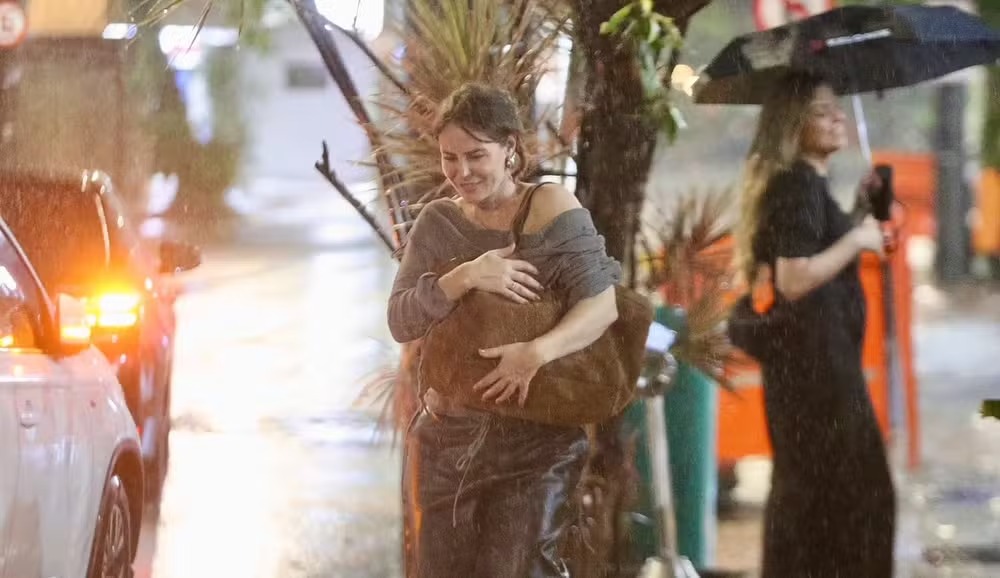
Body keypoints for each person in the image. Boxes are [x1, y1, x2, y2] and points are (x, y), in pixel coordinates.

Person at [387, 82, 621, 577]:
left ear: (510, 148)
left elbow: (601, 306)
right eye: (450, 158)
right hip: (448, 439)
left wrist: (535, 353)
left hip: (536, 441)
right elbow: (401, 320)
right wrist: (465, 276)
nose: (462, 172)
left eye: (476, 155)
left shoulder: (550, 206)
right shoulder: (438, 221)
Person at [733, 71, 897, 577]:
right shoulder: (797, 186)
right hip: (816, 374)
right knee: (856, 495)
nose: (837, 117)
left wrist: (859, 210)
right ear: (793, 125)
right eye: (822, 111)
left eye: (837, 108)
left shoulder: (805, 186)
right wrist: (858, 240)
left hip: (814, 368)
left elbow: (811, 250)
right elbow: (794, 277)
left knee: (819, 496)